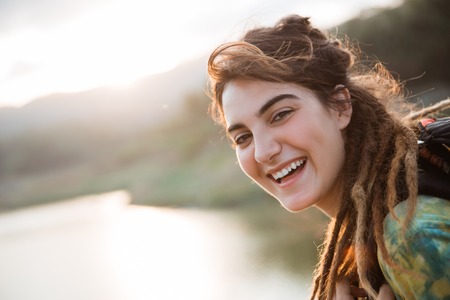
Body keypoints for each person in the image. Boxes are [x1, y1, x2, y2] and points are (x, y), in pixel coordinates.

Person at [206, 15, 450, 299]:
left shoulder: (412, 236)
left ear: (340, 106)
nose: (263, 152)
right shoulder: (380, 214)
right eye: (243, 138)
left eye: (281, 115)